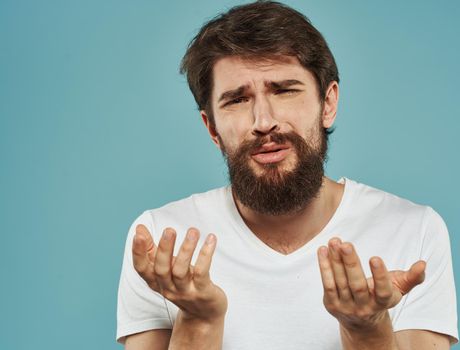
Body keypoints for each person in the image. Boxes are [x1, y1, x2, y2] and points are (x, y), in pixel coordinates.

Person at [116, 1, 458, 349]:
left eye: (284, 90)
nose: (263, 122)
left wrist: (366, 329)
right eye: (236, 100)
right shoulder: (160, 245)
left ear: (328, 104)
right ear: (212, 128)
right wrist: (199, 320)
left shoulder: (413, 231)